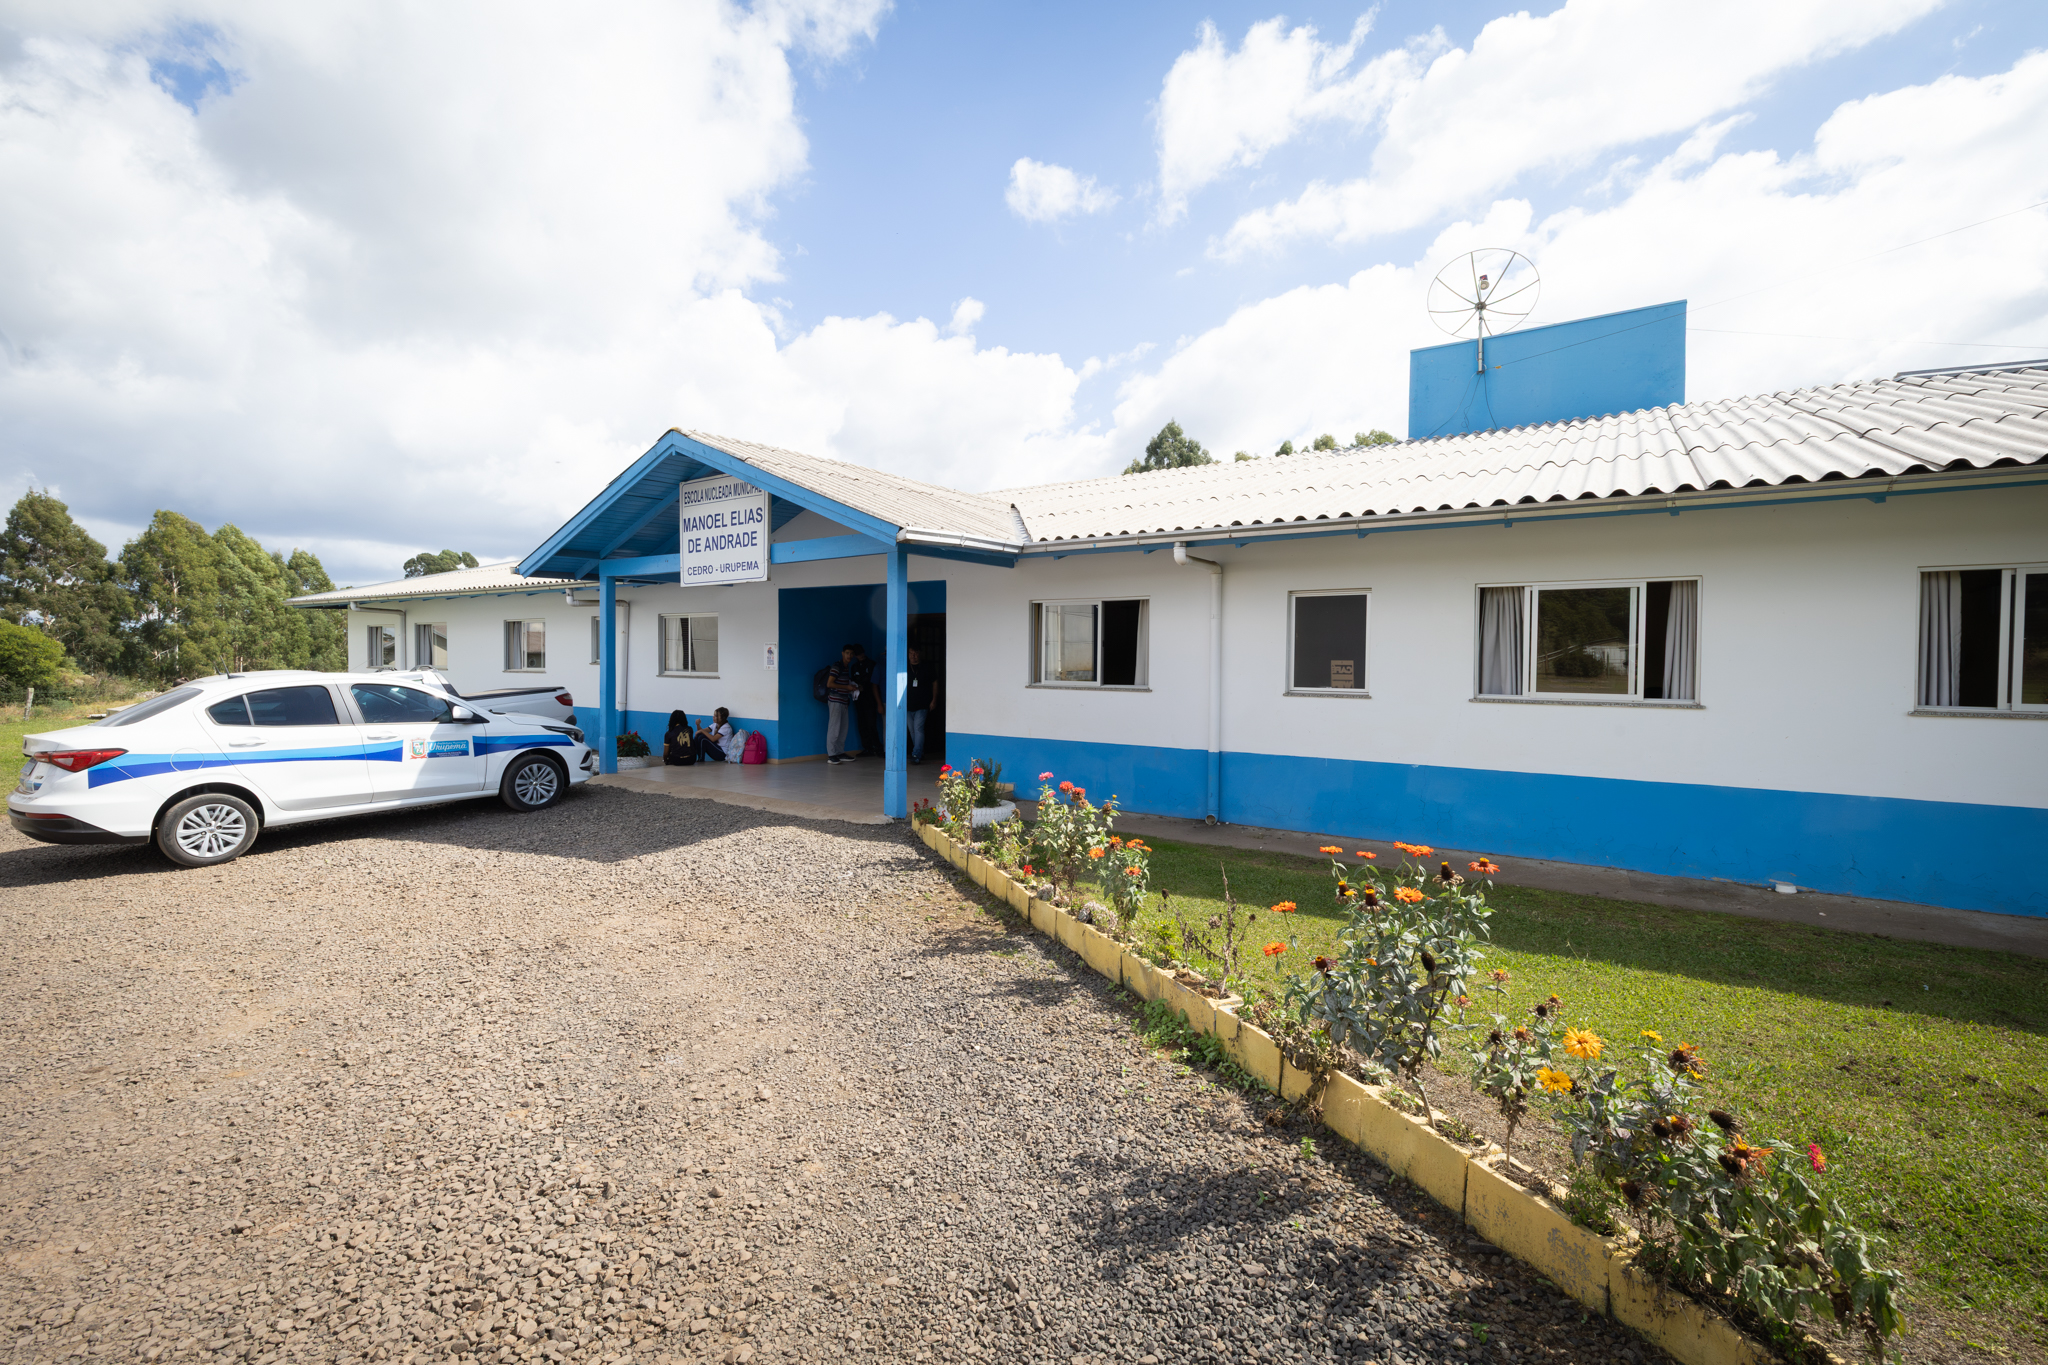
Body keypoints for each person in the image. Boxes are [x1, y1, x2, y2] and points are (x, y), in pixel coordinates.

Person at [823, 645, 859, 764]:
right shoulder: (837, 666)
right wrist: (846, 687)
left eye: (851, 653)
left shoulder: (846, 667)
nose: (849, 656)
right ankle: (831, 754)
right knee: (834, 728)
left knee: (843, 728)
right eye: (847, 653)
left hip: (844, 701)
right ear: (842, 653)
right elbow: (829, 684)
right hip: (835, 700)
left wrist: (851, 687)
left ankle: (839, 752)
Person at [905, 646, 937, 765]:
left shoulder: (926, 667)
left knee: (918, 728)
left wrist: (934, 699)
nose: (913, 656)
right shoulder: (904, 667)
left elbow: (935, 683)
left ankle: (916, 753)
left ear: (920, 653)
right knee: (912, 730)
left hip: (922, 704)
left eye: (916, 653)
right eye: (911, 653)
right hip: (907, 705)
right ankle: (919, 752)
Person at [850, 642, 882, 757]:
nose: (861, 655)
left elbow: (874, 683)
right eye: (858, 654)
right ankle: (867, 748)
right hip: (859, 699)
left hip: (870, 699)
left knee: (871, 724)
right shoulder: (854, 667)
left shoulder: (872, 664)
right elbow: (853, 680)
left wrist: (864, 686)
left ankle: (877, 748)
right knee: (862, 724)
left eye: (861, 652)